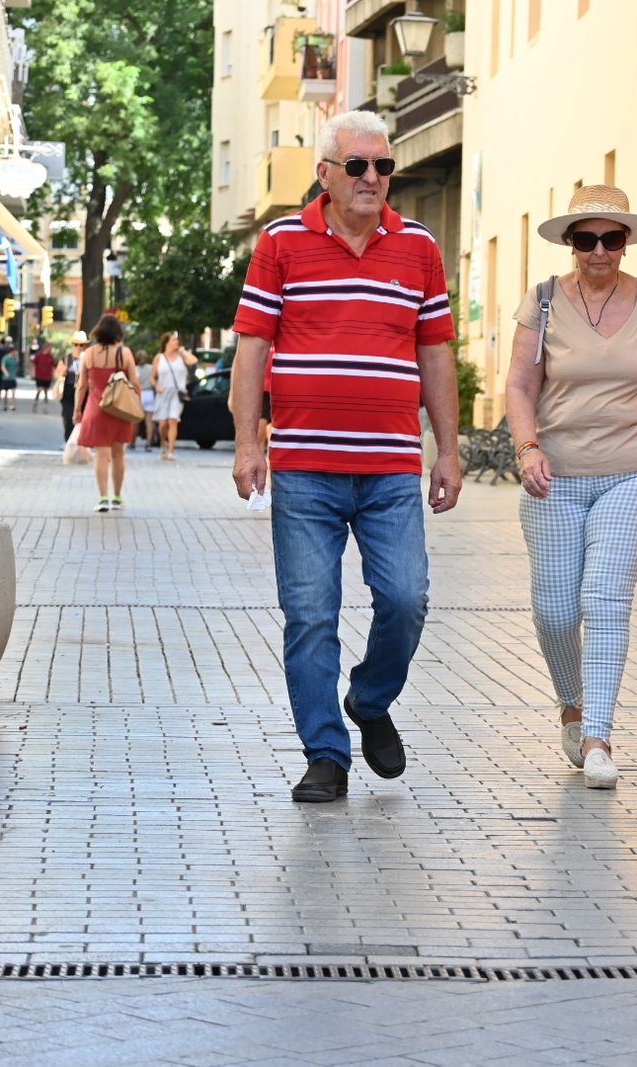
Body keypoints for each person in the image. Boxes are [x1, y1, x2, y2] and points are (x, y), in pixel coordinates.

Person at [228, 109, 463, 804]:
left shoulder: (418, 245)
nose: (372, 179)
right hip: (304, 467)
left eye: (383, 167)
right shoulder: (280, 243)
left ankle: (369, 695)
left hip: (391, 466)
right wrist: (249, 440)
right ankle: (325, 752)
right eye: (357, 166)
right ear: (325, 173)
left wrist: (447, 449)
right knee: (310, 613)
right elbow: (252, 347)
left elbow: (435, 352)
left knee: (406, 597)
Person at [504, 184, 637, 789]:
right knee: (556, 610)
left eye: (611, 238)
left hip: (633, 469)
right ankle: (571, 704)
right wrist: (527, 447)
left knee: (605, 599)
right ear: (570, 244)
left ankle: (600, 736)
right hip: (553, 473)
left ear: (627, 242)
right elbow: (521, 388)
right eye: (586, 239)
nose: (599, 250)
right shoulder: (544, 302)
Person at [73, 313, 141, 512]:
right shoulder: (124, 353)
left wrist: (78, 409)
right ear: (117, 333)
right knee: (118, 455)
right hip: (120, 409)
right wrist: (135, 400)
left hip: (97, 408)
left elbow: (82, 385)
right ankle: (117, 497)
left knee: (101, 455)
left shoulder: (89, 354)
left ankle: (103, 498)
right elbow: (135, 383)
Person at [152, 330, 197, 461]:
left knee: (173, 420)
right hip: (163, 393)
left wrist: (182, 351)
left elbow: (193, 361)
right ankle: (163, 443)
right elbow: (152, 378)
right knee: (163, 423)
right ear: (166, 342)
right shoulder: (159, 358)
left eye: (177, 340)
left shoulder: (181, 356)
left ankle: (171, 450)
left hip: (178, 394)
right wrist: (156, 386)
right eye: (173, 340)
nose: (176, 342)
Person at [59, 330, 86, 443]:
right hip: (69, 390)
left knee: (83, 417)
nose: (78, 347)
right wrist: (63, 372)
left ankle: (81, 440)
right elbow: (58, 373)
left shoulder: (87, 358)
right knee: (68, 416)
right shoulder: (67, 358)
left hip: (84, 390)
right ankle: (68, 441)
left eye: (81, 344)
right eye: (76, 344)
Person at [30, 342, 55, 410]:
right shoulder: (39, 355)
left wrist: (53, 374)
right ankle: (35, 403)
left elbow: (53, 366)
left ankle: (45, 407)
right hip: (39, 375)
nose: (50, 349)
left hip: (47, 376)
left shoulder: (50, 356)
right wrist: (32, 373)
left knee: (46, 391)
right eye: (50, 348)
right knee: (39, 389)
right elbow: (33, 364)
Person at [0, 344, 20, 411]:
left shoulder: (14, 358)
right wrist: (6, 373)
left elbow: (17, 364)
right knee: (6, 392)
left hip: (13, 378)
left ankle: (13, 405)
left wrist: (17, 356)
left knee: (13, 392)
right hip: (6, 378)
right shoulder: (5, 358)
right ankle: (5, 405)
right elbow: (2, 366)